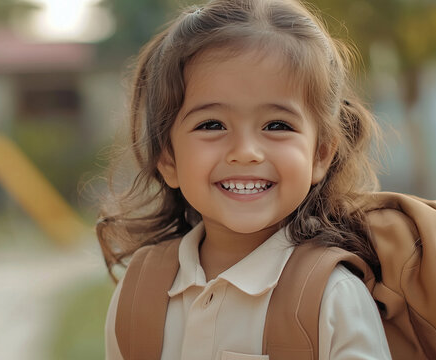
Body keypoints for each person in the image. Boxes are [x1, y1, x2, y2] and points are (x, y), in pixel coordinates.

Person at [97, 0, 393, 358]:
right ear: (168, 158)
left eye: (277, 126)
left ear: (320, 155)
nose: (246, 151)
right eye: (212, 125)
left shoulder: (332, 298)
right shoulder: (138, 292)